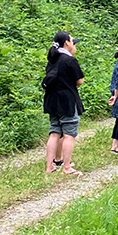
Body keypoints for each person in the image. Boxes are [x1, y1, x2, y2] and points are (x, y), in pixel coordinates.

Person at [42, 31, 84, 177]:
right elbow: (80, 81)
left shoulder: (52, 59)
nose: (74, 44)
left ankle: (50, 166)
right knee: (69, 134)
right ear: (67, 42)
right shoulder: (70, 60)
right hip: (67, 100)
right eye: (73, 41)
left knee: (54, 132)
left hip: (52, 100)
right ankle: (67, 167)